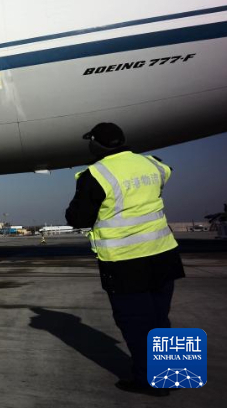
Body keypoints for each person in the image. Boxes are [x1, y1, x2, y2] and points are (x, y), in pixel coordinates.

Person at [65, 122, 184, 397]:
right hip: (164, 254)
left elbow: (79, 218)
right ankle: (173, 375)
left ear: (95, 144)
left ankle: (149, 382)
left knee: (136, 322)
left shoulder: (96, 174)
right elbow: (167, 172)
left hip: (126, 261)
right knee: (160, 318)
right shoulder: (152, 164)